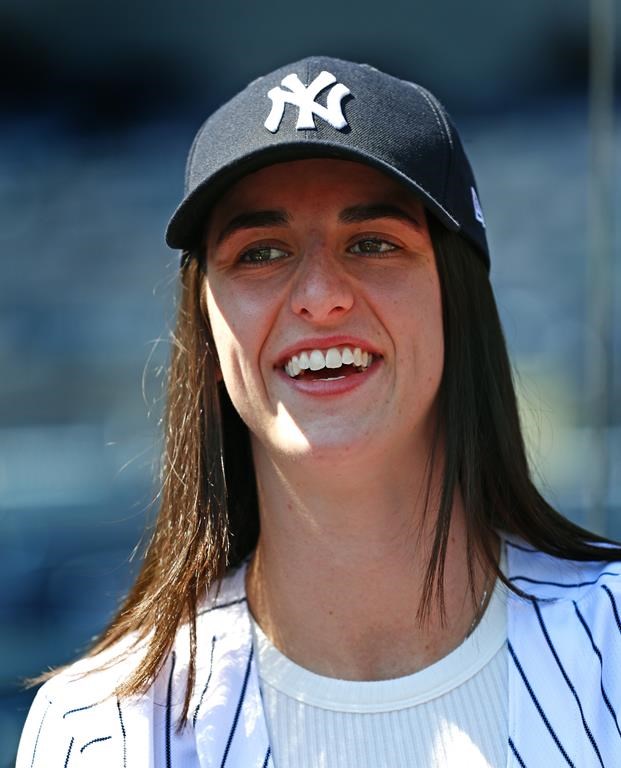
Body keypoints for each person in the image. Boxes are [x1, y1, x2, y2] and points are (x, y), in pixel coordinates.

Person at [16, 56, 621, 768]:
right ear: (205, 328)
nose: (319, 296)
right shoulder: (101, 730)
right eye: (260, 253)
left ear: (458, 303)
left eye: (372, 244)